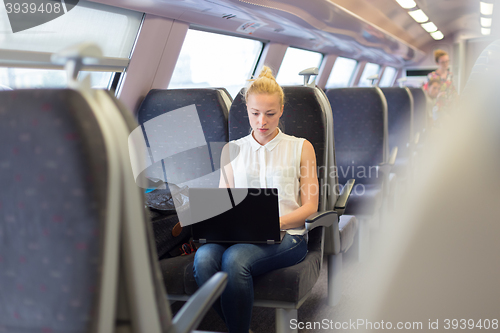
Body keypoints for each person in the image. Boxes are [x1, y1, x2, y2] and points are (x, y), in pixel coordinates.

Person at [192, 66, 319, 332]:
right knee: (204, 260)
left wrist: (271, 223)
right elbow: (221, 201)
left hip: (288, 236)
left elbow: (310, 206)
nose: (262, 121)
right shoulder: (232, 150)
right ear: (246, 110)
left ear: (281, 110)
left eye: (270, 114)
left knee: (235, 259)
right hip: (238, 234)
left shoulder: (301, 147)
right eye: (255, 113)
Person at [423, 49, 457, 114]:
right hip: (436, 106)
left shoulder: (451, 75)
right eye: (443, 62)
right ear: (437, 63)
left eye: (447, 61)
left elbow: (453, 90)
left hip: (449, 107)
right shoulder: (432, 76)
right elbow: (426, 93)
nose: (446, 64)